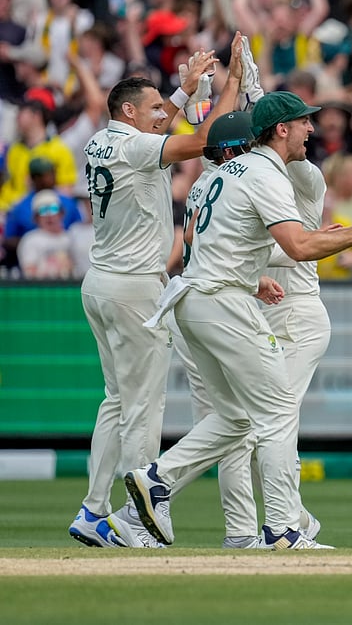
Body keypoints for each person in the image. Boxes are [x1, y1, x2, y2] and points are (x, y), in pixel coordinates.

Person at [122, 91, 352, 550]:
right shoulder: (266, 172)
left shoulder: (214, 176)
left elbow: (241, 243)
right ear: (281, 130)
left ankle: (157, 479)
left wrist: (265, 270)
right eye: (304, 123)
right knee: (279, 407)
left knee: (237, 417)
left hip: (193, 300)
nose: (311, 130)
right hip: (223, 302)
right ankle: (283, 526)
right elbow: (298, 249)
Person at [67, 38, 246, 548]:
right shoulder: (135, 145)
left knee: (116, 402)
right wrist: (229, 84)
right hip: (134, 288)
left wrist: (183, 89)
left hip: (100, 284)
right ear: (130, 112)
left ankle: (93, 510)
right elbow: (202, 140)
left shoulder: (104, 140)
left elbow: (164, 123)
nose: (163, 116)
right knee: (144, 406)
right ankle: (136, 519)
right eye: (154, 110)